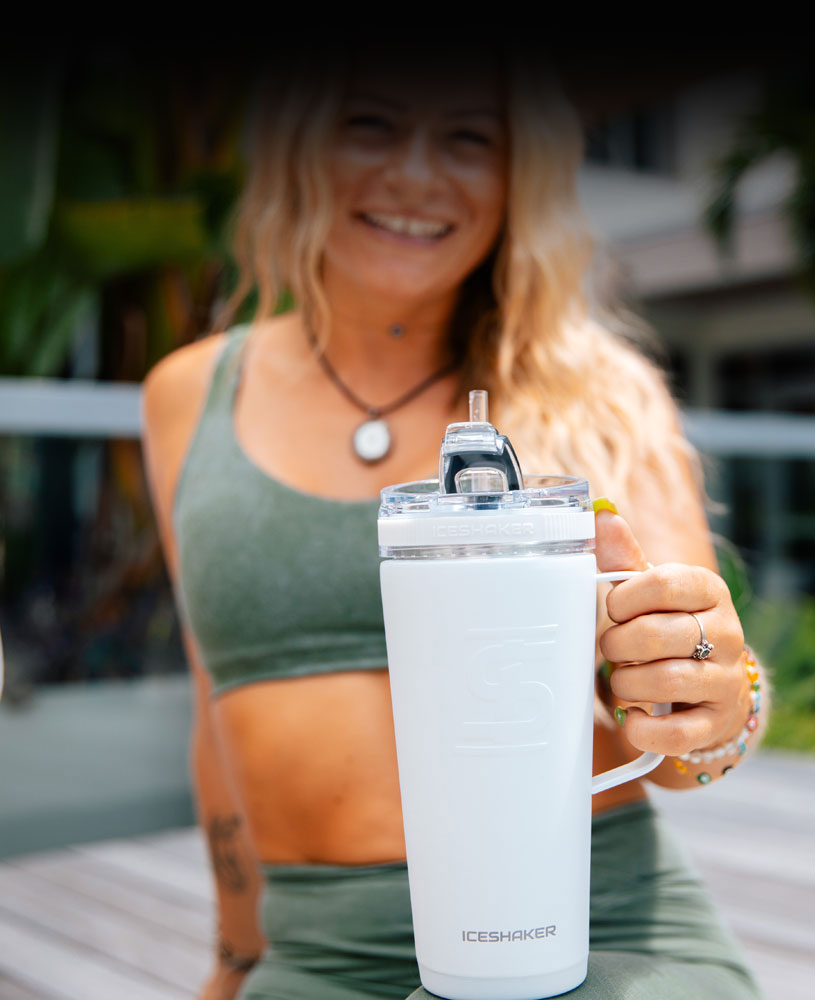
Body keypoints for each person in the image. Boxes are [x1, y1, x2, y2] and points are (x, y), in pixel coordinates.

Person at [141, 43, 768, 1000]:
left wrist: (718, 710)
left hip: (600, 925)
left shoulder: (603, 393)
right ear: (301, 143)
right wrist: (235, 961)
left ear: (520, 175)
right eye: (373, 123)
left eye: (469, 137)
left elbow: (689, 715)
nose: (417, 175)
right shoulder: (188, 395)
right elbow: (216, 709)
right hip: (322, 954)